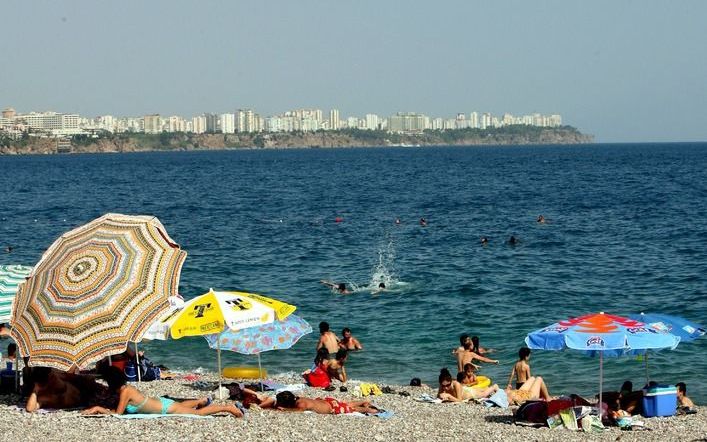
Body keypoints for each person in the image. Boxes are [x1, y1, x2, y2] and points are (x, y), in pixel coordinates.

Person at [81, 367, 242, 417]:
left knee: (197, 414)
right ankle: (200, 401)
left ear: (111, 382)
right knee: (182, 406)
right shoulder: (126, 388)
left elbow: (118, 414)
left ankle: (229, 408)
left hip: (166, 408)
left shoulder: (125, 392)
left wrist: (98, 409)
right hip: (164, 403)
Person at [25, 367, 105, 412]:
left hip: (82, 389)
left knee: (90, 381)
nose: (53, 377)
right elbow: (30, 409)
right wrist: (35, 391)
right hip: (84, 398)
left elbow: (70, 376)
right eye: (51, 376)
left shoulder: (55, 378)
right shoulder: (44, 396)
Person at [275, 390, 380, 415]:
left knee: (352, 410)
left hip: (332, 408)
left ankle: (370, 409)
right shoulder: (298, 398)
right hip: (328, 401)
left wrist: (285, 409)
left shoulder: (300, 404)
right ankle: (364, 401)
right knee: (346, 404)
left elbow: (300, 410)